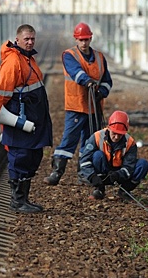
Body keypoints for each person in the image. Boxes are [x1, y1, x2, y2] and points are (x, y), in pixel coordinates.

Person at [0, 24, 53, 214]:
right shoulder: (13, 62)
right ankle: (17, 201)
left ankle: (23, 198)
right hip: (19, 119)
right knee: (21, 157)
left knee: (33, 156)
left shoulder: (28, 59)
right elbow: (1, 91)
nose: (30, 42)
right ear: (17, 39)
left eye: (32, 38)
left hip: (32, 119)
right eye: (26, 39)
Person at [44, 22, 112, 186]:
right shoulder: (69, 55)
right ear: (76, 39)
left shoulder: (100, 58)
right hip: (76, 106)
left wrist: (102, 91)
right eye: (81, 40)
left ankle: (84, 173)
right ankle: (57, 172)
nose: (84, 43)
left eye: (86, 39)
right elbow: (76, 72)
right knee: (69, 140)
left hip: (94, 107)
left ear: (90, 38)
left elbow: (107, 81)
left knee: (89, 142)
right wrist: (88, 82)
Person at [78, 111, 148, 200]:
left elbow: (129, 167)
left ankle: (124, 191)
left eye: (120, 134)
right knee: (97, 156)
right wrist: (92, 177)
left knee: (143, 165)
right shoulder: (96, 137)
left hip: (120, 173)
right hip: (102, 170)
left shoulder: (130, 143)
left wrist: (118, 174)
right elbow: (84, 160)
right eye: (114, 133)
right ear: (108, 128)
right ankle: (100, 189)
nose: (116, 137)